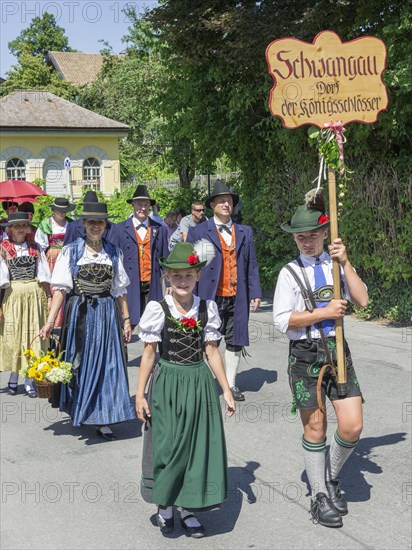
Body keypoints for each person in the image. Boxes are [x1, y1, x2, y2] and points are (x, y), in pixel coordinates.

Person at [272, 190, 368, 528]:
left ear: (324, 234)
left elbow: (362, 299)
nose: (306, 243)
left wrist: (345, 262)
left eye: (312, 236)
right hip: (305, 354)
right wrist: (323, 312)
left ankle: (328, 476)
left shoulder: (334, 264)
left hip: (337, 348)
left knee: (352, 424)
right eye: (300, 237)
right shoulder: (289, 273)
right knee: (316, 427)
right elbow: (283, 321)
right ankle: (319, 497)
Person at [136, 241, 235, 537]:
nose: (182, 281)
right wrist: (140, 394)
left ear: (197, 276)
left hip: (198, 383)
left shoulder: (207, 308)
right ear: (167, 276)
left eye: (188, 275)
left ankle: (188, 508)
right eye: (176, 275)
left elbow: (212, 351)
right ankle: (165, 505)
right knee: (167, 445)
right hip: (166, 382)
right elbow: (149, 353)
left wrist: (226, 390)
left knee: (194, 447)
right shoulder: (158, 308)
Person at [39, 202, 136, 440]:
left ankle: (103, 415)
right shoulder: (71, 251)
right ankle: (82, 409)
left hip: (106, 313)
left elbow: (120, 291)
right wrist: (50, 322)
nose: (95, 226)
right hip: (80, 313)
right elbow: (60, 290)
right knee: (79, 364)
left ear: (105, 225)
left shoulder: (113, 252)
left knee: (107, 365)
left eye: (99, 222)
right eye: (91, 222)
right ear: (83, 224)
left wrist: (126, 320)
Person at [187, 180, 262, 401]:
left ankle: (230, 384)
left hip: (237, 296)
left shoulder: (244, 231)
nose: (226, 204)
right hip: (209, 295)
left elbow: (252, 265)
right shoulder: (199, 231)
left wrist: (255, 292)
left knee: (235, 339)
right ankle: (207, 382)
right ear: (212, 205)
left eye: (228, 201)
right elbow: (192, 264)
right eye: (221, 201)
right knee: (207, 339)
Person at [0, 212, 51, 398]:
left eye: (24, 225)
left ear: (29, 228)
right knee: (15, 337)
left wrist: (49, 297)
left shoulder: (35, 248)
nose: (21, 228)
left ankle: (30, 380)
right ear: (10, 229)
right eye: (16, 225)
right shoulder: (3, 249)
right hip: (13, 296)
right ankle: (13, 378)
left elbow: (44, 274)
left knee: (32, 336)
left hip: (34, 296)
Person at [108, 185, 169, 327]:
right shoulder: (119, 228)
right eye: (139, 204)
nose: (142, 208)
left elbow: (165, 258)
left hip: (152, 283)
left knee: (155, 323)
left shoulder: (159, 229)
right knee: (128, 323)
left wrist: (169, 283)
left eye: (146, 204)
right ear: (133, 205)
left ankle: (153, 349)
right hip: (128, 283)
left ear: (150, 206)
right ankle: (123, 348)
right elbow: (111, 257)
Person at [35, 198, 75, 327]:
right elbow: (39, 244)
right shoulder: (46, 224)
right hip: (51, 258)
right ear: (54, 210)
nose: (62, 213)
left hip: (68, 256)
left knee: (67, 286)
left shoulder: (71, 224)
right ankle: (52, 319)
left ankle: (65, 319)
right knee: (54, 287)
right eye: (60, 211)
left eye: (65, 211)